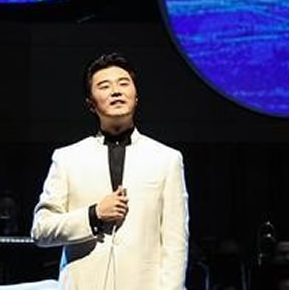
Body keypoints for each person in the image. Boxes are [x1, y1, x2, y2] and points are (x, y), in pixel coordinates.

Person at [31, 52, 189, 290]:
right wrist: (93, 215)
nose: (116, 91)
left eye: (124, 83)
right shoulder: (67, 158)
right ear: (90, 103)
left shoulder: (167, 159)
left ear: (136, 96)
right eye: (104, 86)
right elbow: (41, 230)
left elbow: (175, 242)